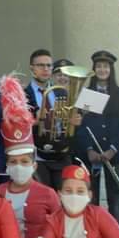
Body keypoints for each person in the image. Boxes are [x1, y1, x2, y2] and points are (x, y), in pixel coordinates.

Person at [0, 73, 61, 238]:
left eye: (25, 162)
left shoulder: (48, 194)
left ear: (34, 165)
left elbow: (59, 232)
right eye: (13, 162)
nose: (19, 167)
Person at [78, 50, 119, 227]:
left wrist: (113, 149)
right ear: (94, 69)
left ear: (111, 69)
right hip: (92, 155)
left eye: (105, 66)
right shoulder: (87, 94)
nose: (102, 70)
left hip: (114, 154)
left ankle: (117, 236)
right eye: (98, 66)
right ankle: (93, 234)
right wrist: (89, 150)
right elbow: (82, 126)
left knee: (115, 199)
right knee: (92, 197)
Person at [26, 49, 67, 189]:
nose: (45, 69)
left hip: (61, 154)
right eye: (40, 65)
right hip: (38, 156)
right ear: (32, 68)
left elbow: (67, 124)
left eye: (49, 66)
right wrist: (34, 121)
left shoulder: (61, 92)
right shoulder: (24, 95)